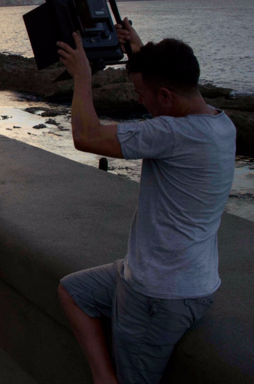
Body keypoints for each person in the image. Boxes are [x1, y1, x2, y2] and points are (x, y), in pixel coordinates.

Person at [56, 21, 236, 384]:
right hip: (171, 278)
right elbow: (164, 86)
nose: (139, 100)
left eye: (143, 94)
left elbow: (86, 136)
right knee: (73, 291)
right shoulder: (221, 124)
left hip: (159, 295)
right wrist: (140, 52)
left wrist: (83, 77)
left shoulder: (170, 133)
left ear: (167, 96)